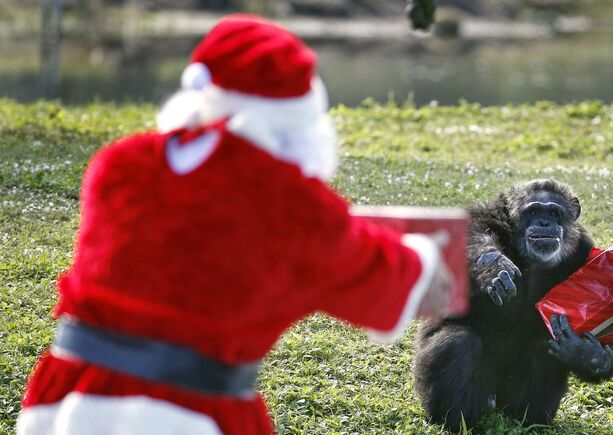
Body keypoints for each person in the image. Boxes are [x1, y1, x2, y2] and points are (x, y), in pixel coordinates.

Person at [17, 14, 454, 435]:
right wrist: (423, 259)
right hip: (190, 413)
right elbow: (375, 283)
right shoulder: (290, 203)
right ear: (297, 122)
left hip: (64, 399)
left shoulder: (118, 165)